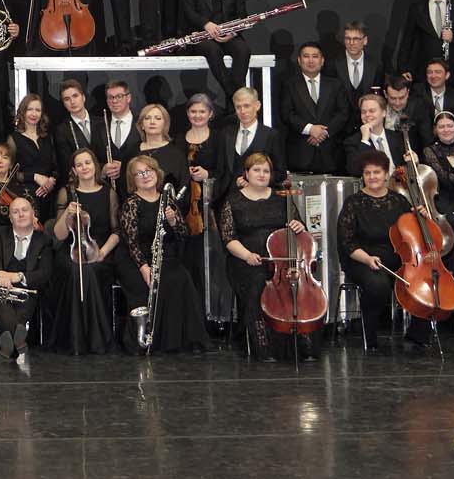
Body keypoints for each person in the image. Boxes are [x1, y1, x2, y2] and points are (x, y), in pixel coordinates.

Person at [337, 147, 431, 349]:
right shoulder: (353, 203)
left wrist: (421, 217)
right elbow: (347, 242)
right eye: (367, 173)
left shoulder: (399, 201)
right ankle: (370, 335)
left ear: (386, 174)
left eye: (377, 172)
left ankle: (417, 333)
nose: (372, 177)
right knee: (378, 284)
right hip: (363, 260)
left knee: (423, 278)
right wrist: (367, 259)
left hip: (396, 258)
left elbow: (413, 234)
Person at [223, 152, 312, 361]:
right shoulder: (233, 201)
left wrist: (299, 226)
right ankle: (265, 347)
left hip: (281, 261)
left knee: (297, 286)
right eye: (256, 170)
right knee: (258, 285)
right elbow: (228, 238)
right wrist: (247, 255)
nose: (262, 174)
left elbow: (300, 229)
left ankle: (301, 342)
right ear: (246, 173)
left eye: (266, 171)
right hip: (248, 261)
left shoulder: (282, 197)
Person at [114, 154, 205, 353]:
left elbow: (183, 234)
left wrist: (173, 221)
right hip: (134, 259)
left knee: (180, 277)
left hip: (162, 255)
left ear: (157, 173)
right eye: (139, 173)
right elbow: (131, 242)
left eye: (149, 171)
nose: (145, 175)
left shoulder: (167, 200)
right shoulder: (131, 204)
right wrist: (144, 268)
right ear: (133, 180)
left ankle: (178, 341)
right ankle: (144, 340)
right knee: (144, 286)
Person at [45, 147, 117, 354]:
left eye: (88, 163)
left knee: (90, 271)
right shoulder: (66, 193)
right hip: (71, 249)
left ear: (95, 166)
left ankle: (95, 338)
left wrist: (102, 252)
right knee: (76, 271)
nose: (84, 167)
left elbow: (116, 231)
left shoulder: (109, 193)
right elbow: (59, 235)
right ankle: (76, 340)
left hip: (100, 250)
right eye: (79, 165)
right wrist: (67, 215)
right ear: (74, 170)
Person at [176, 93, 231, 322]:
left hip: (210, 207)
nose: (197, 115)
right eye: (193, 111)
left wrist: (208, 175)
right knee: (189, 262)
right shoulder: (178, 140)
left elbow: (226, 171)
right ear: (187, 113)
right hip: (185, 210)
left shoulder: (219, 138)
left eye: (202, 111)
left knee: (212, 260)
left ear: (210, 114)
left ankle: (214, 316)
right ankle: (192, 316)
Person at [0, 196, 53, 360]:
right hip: (0, 290)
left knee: (27, 301)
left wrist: (18, 276)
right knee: (1, 300)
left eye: (25, 210)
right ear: (10, 218)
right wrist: (0, 277)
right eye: (15, 211)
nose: (21, 214)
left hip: (26, 293)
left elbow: (45, 273)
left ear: (33, 215)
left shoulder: (44, 240)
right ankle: (18, 342)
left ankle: (9, 345)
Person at [177, 0, 249, 99]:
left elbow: (242, 15)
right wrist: (205, 24)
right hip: (202, 34)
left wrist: (233, 33)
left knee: (243, 50)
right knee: (212, 50)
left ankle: (234, 98)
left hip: (227, 34)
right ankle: (234, 95)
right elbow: (187, 10)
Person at [282, 43, 350, 176]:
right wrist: (310, 129)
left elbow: (343, 113)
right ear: (299, 60)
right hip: (300, 155)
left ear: (322, 60)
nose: (310, 60)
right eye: (306, 56)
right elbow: (286, 114)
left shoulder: (336, 84)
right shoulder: (289, 85)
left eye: (315, 56)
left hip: (331, 154)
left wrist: (323, 132)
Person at [10, 94, 58, 222]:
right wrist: (35, 177)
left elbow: (56, 166)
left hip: (50, 192)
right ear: (23, 112)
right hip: (26, 194)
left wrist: (52, 181)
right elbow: (10, 174)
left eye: (38, 110)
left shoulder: (47, 137)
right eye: (30, 109)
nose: (34, 114)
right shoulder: (13, 139)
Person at [344, 92, 409, 175]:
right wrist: (365, 140)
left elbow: (406, 168)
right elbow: (354, 170)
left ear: (384, 112)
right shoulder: (352, 141)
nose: (367, 115)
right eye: (363, 112)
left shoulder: (398, 137)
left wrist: (414, 161)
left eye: (372, 111)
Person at [327, 22, 379, 99]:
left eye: (356, 39)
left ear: (365, 40)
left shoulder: (375, 65)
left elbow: (378, 97)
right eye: (348, 38)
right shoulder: (332, 64)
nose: (351, 43)